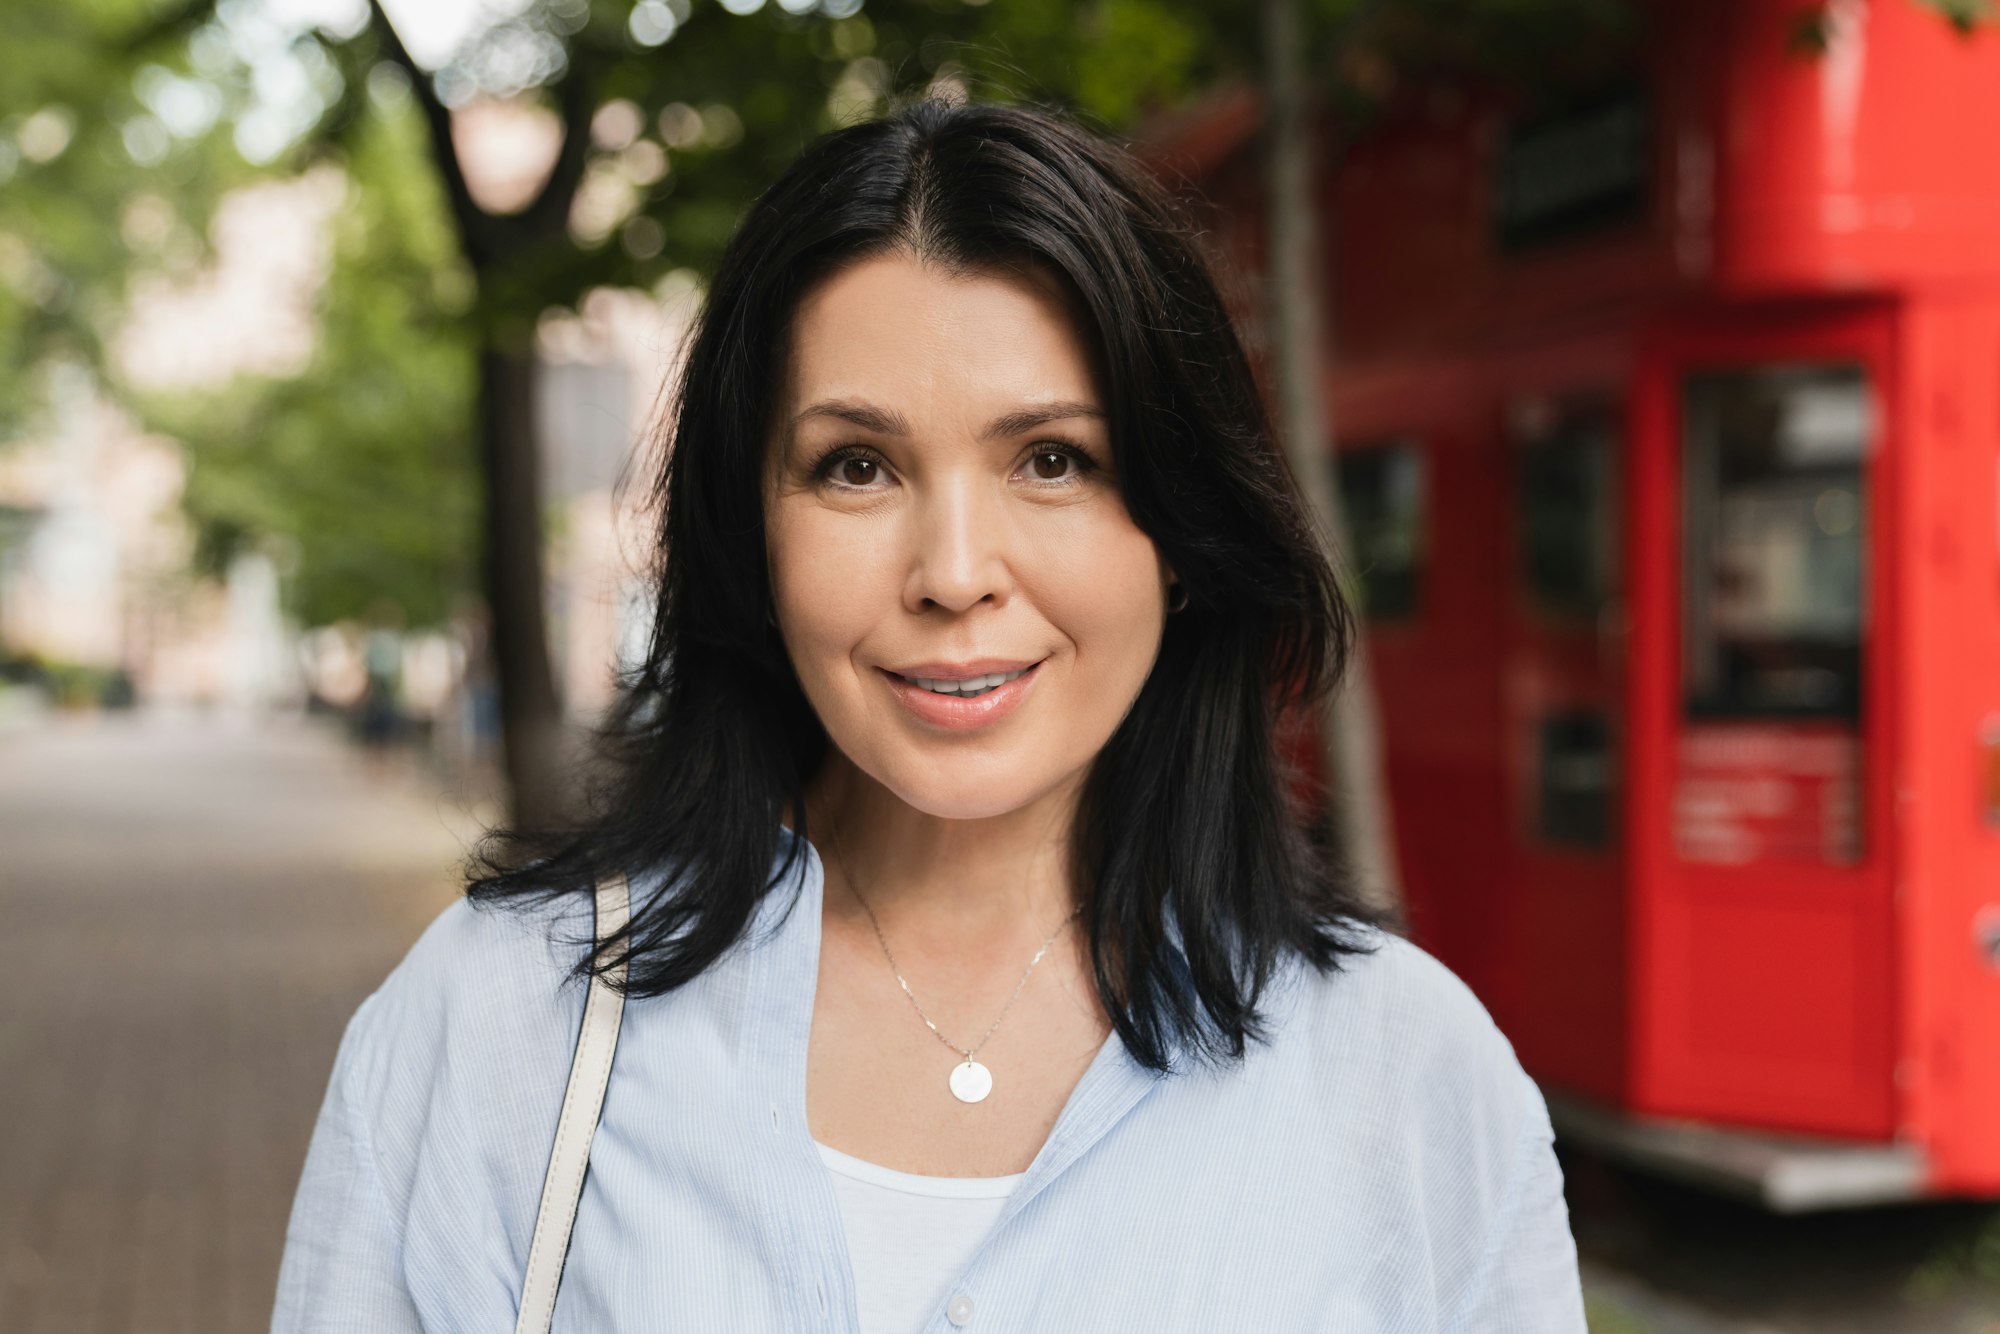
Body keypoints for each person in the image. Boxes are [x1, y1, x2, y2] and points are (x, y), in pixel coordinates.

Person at [272, 98, 1587, 1332]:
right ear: (753, 531)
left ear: (1179, 530)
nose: (955, 571)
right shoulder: (497, 1025)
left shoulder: (1410, 1083)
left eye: (1054, 460)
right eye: (857, 466)